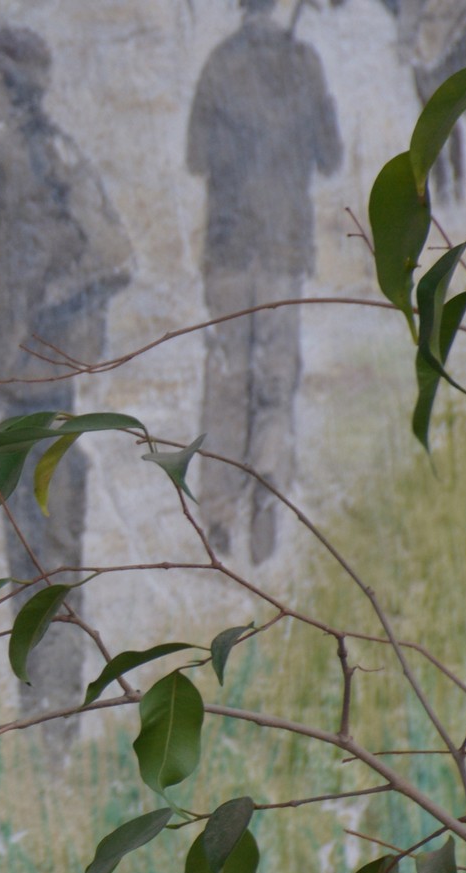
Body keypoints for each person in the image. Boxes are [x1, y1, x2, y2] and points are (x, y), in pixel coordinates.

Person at [0, 26, 132, 716]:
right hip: (32, 401)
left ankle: (50, 719)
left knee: (43, 569)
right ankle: (46, 719)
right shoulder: (38, 150)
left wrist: (46, 307)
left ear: (9, 84)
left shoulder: (21, 154)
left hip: (36, 402)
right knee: (40, 569)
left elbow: (112, 254)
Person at [186, 0, 341, 563]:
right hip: (283, 249)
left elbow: (196, 158)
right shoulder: (305, 62)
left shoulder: (218, 63)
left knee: (228, 378)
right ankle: (269, 472)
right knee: (276, 375)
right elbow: (330, 156)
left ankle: (218, 510)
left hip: (229, 249)